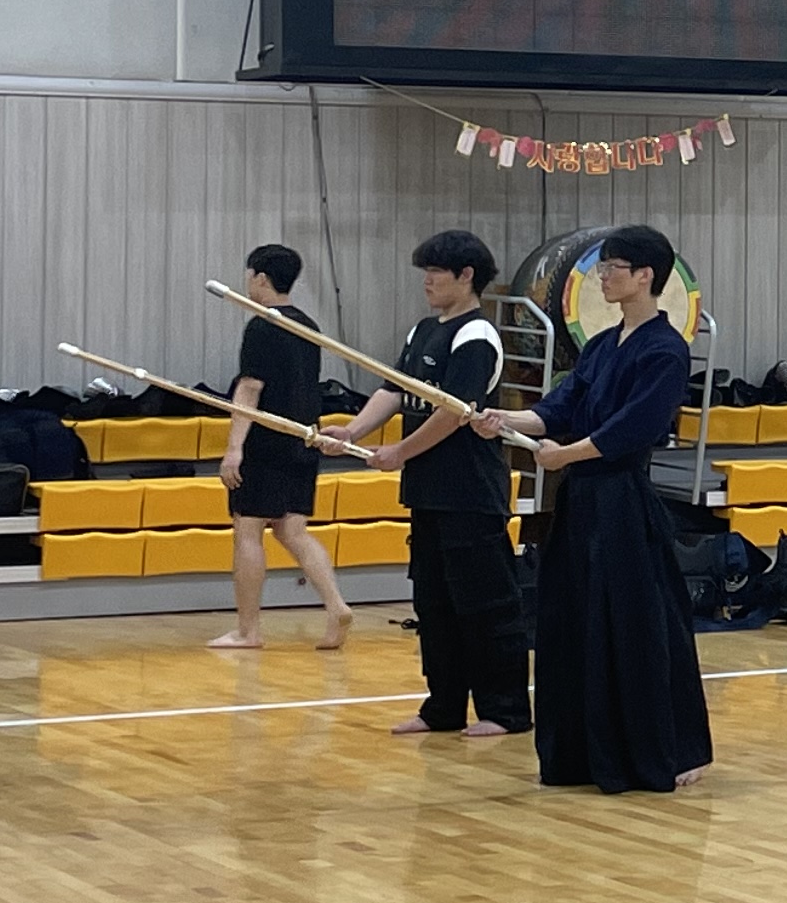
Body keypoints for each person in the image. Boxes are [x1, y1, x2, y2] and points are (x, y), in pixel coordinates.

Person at [478, 224, 710, 794]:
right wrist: (503, 420)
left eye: (612, 268)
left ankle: (661, 750)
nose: (602, 277)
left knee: (635, 628)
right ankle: (581, 752)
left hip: (624, 503)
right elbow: (558, 409)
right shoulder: (603, 345)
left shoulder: (666, 350)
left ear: (645, 276)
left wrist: (566, 455)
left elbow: (633, 429)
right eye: (602, 267)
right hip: (580, 503)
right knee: (572, 623)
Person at [345, 228, 532, 740]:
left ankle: (506, 710)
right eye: (424, 272)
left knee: (485, 605)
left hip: (470, 494)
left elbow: (453, 413)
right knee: (434, 604)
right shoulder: (423, 330)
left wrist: (399, 452)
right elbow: (394, 390)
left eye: (435, 272)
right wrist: (353, 432)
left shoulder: (477, 336)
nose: (426, 281)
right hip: (428, 493)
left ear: (466, 276)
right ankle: (443, 706)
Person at [215, 242, 354, 654]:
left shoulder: (262, 325)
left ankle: (248, 631)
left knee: (248, 530)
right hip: (303, 438)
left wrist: (234, 448)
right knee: (292, 530)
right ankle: (336, 604)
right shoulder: (308, 325)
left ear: (260, 278)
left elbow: (249, 388)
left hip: (266, 441)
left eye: (249, 275)